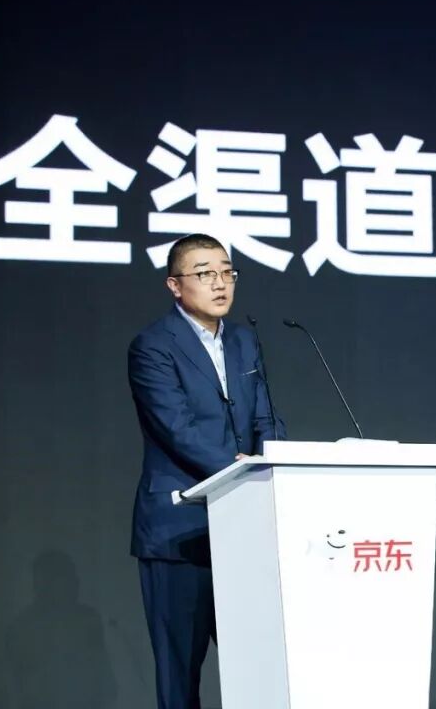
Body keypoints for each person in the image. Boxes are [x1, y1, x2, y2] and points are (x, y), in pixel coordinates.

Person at [127, 233, 285, 709]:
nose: (219, 283)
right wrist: (243, 471)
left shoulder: (243, 340)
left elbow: (265, 418)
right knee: (181, 676)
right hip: (180, 530)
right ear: (175, 285)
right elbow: (176, 428)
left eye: (226, 272)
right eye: (204, 273)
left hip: (245, 529)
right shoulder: (153, 346)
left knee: (262, 669)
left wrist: (272, 462)